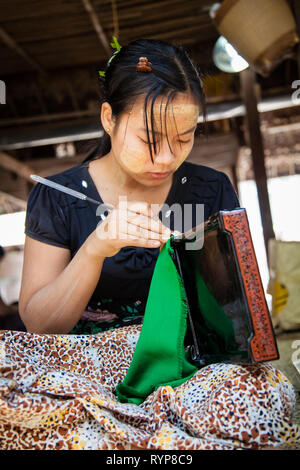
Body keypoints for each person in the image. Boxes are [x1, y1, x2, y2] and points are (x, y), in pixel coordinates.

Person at [0, 38, 299, 451]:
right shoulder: (59, 196)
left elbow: (232, 316)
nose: (166, 158)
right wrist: (95, 249)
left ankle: (131, 437)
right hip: (85, 372)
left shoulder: (209, 190)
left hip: (187, 365)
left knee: (268, 397)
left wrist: (206, 258)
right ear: (109, 119)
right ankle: (157, 438)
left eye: (184, 137)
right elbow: (38, 326)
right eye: (149, 139)